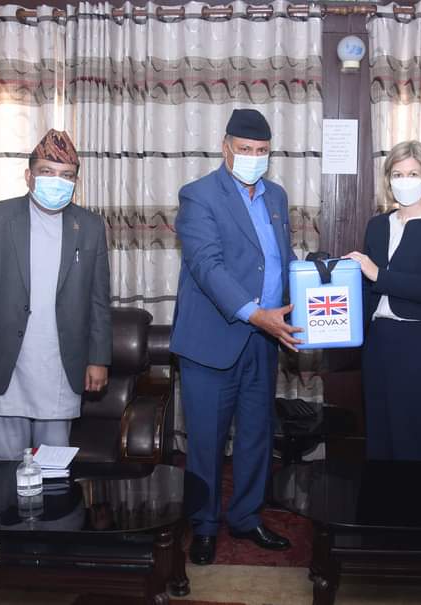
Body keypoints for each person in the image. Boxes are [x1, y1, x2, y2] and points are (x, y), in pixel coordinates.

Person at [171, 109, 301, 565]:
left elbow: (280, 259)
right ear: (226, 147)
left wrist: (315, 283)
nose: (253, 157)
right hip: (212, 341)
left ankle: (246, 517)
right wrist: (256, 314)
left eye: (262, 151)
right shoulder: (199, 195)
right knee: (206, 441)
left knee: (255, 436)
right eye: (245, 149)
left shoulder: (276, 196)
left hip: (263, 342)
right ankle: (204, 525)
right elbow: (207, 266)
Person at [0, 129, 110, 461]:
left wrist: (98, 359)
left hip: (61, 362)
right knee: (7, 465)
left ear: (75, 182)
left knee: (53, 466)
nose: (57, 181)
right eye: (47, 172)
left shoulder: (90, 226)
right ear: (28, 176)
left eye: (66, 175)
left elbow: (99, 300)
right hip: (7, 362)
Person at [344, 140, 421, 461]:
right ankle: (382, 494)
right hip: (377, 339)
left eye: (413, 173)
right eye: (397, 174)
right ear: (388, 179)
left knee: (415, 433)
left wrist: (377, 273)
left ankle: (418, 495)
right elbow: (365, 288)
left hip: (418, 339)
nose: (405, 181)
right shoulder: (377, 225)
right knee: (379, 430)